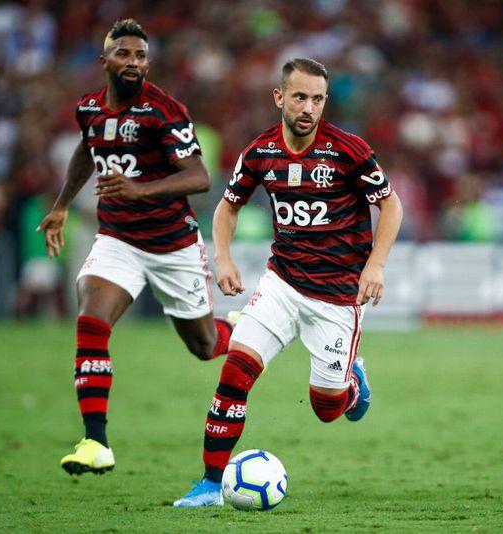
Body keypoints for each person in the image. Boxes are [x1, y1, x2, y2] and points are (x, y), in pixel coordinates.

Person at [173, 58, 403, 507]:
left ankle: (353, 380)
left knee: (327, 409)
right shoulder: (260, 152)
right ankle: (209, 484)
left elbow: (390, 205)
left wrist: (375, 266)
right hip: (282, 284)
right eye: (299, 97)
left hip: (337, 298)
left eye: (317, 99)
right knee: (235, 373)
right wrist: (222, 258)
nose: (308, 108)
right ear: (279, 97)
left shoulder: (349, 150)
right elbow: (228, 206)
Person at [36, 19, 234, 476]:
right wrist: (62, 205)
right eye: (124, 53)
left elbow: (200, 177)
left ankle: (240, 326)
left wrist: (138, 190)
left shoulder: (163, 111)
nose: (133, 62)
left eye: (141, 56)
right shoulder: (89, 108)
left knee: (204, 346)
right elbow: (88, 149)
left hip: (173, 244)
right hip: (118, 239)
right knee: (91, 320)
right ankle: (96, 442)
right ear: (104, 61)